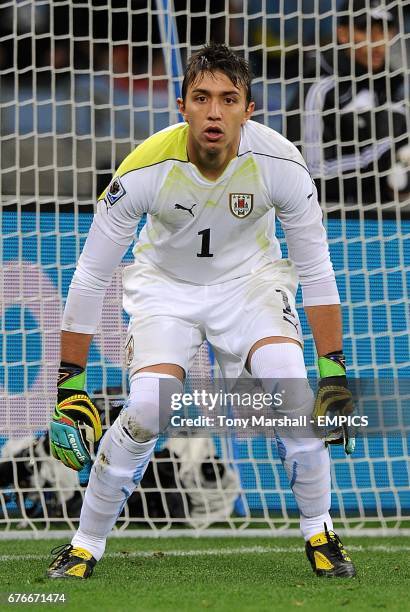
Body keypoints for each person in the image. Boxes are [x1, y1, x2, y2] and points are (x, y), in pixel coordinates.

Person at [47, 43, 356, 580]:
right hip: (165, 291)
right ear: (182, 105)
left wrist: (334, 368)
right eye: (202, 98)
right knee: (146, 409)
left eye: (228, 99)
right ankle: (85, 542)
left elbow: (316, 268)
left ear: (249, 108)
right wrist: (68, 385)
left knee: (294, 388)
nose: (215, 113)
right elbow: (93, 273)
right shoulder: (145, 168)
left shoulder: (281, 162)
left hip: (251, 285)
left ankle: (320, 531)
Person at [286, 0, 410, 205]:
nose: (376, 41)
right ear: (343, 34)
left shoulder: (392, 89)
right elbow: (309, 173)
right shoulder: (319, 89)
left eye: (383, 31)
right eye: (366, 31)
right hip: (331, 220)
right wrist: (380, 153)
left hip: (386, 220)